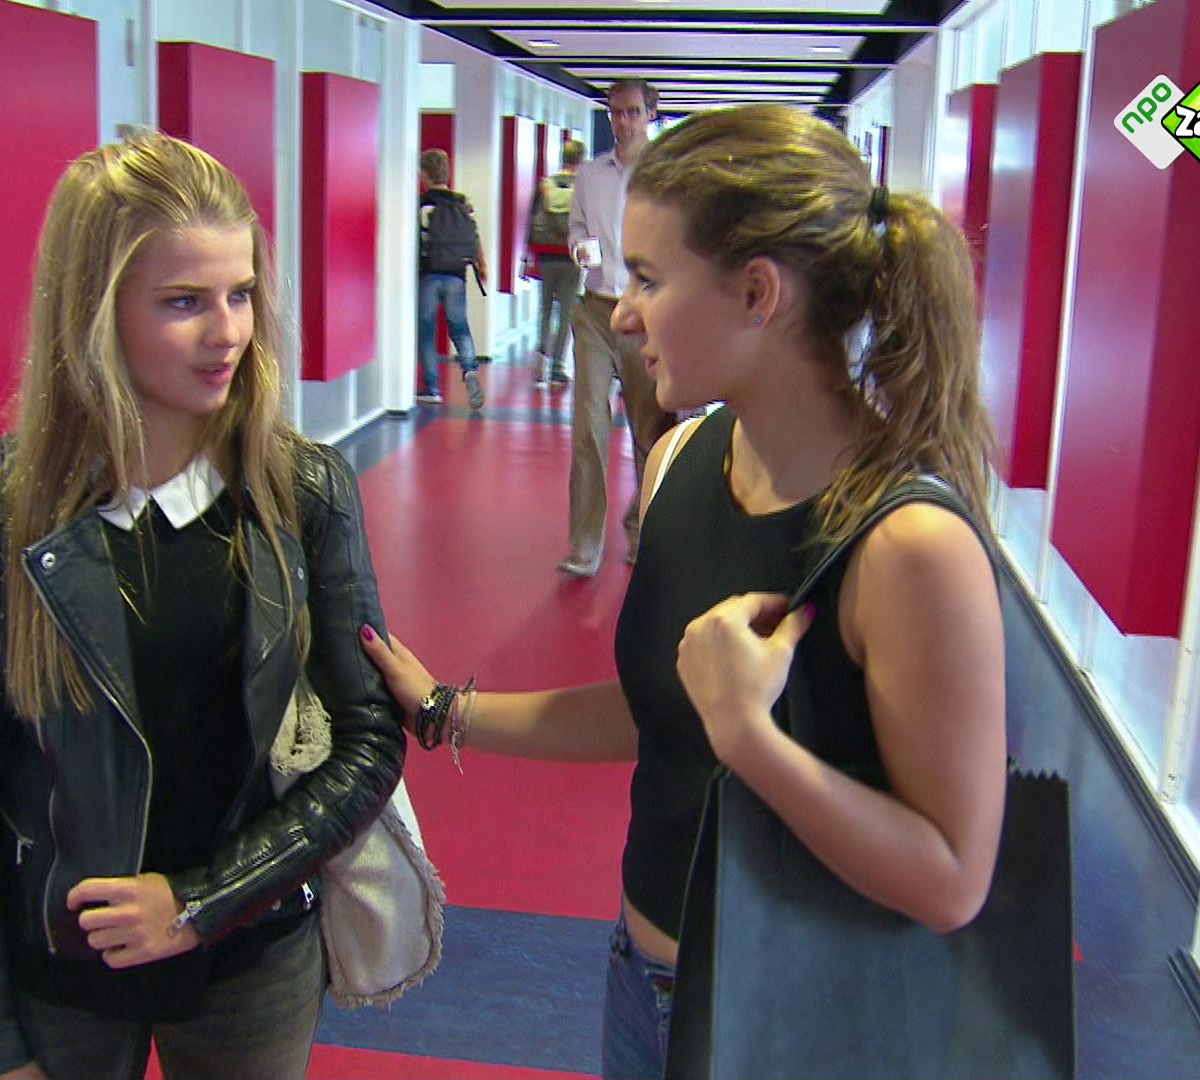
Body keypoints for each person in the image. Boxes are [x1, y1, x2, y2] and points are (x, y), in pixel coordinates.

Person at [360, 105, 1007, 1080]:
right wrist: (450, 711)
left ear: (756, 293)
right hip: (639, 976)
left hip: (795, 1021)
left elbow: (952, 879)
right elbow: (660, 706)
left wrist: (750, 738)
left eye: (650, 280)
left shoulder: (910, 545)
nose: (623, 314)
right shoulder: (678, 461)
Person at [0, 134, 405, 1080]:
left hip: (251, 959)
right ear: (95, 312)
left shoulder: (304, 491)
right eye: (184, 302)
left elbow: (367, 742)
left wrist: (199, 903)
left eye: (241, 294)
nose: (228, 333)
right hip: (59, 975)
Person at [561, 80, 676, 576]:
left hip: (646, 315)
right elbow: (577, 227)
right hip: (595, 311)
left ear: (651, 114)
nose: (622, 121)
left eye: (632, 112)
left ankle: (643, 532)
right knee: (588, 428)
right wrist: (578, 245)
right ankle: (584, 545)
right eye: (615, 112)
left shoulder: (668, 175)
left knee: (649, 433)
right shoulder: (590, 175)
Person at [417, 148, 488, 410]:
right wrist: (482, 264)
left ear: (425, 174)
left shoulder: (423, 205)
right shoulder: (462, 204)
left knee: (427, 331)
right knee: (459, 327)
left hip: (429, 273)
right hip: (457, 274)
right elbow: (475, 236)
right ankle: (470, 370)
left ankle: (432, 388)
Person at [528, 138, 586, 388]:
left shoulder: (545, 186)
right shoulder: (583, 188)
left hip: (546, 254)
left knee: (544, 309)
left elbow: (532, 218)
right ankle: (557, 368)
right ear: (581, 160)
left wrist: (529, 254)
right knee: (565, 313)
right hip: (571, 256)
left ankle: (540, 362)